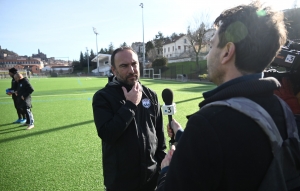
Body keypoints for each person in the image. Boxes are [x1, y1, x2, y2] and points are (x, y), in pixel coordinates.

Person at [156, 2, 299, 191]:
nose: (208, 55)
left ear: (227, 52)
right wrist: (185, 137)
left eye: (212, 45)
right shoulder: (284, 109)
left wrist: (166, 171)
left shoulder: (208, 124)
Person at [92, 47, 166, 191]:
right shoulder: (103, 97)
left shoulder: (151, 95)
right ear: (114, 70)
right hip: (121, 183)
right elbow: (108, 134)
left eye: (134, 64)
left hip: (150, 181)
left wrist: (158, 170)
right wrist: (130, 105)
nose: (131, 70)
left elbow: (159, 138)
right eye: (124, 66)